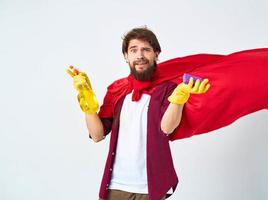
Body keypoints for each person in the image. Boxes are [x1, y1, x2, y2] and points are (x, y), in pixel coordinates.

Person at [68, 26, 210, 200]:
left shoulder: (167, 89)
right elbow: (97, 135)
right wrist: (87, 102)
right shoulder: (117, 90)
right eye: (133, 50)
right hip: (115, 186)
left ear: (156, 54)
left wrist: (178, 99)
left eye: (146, 50)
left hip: (150, 188)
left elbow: (166, 128)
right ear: (126, 56)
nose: (140, 56)